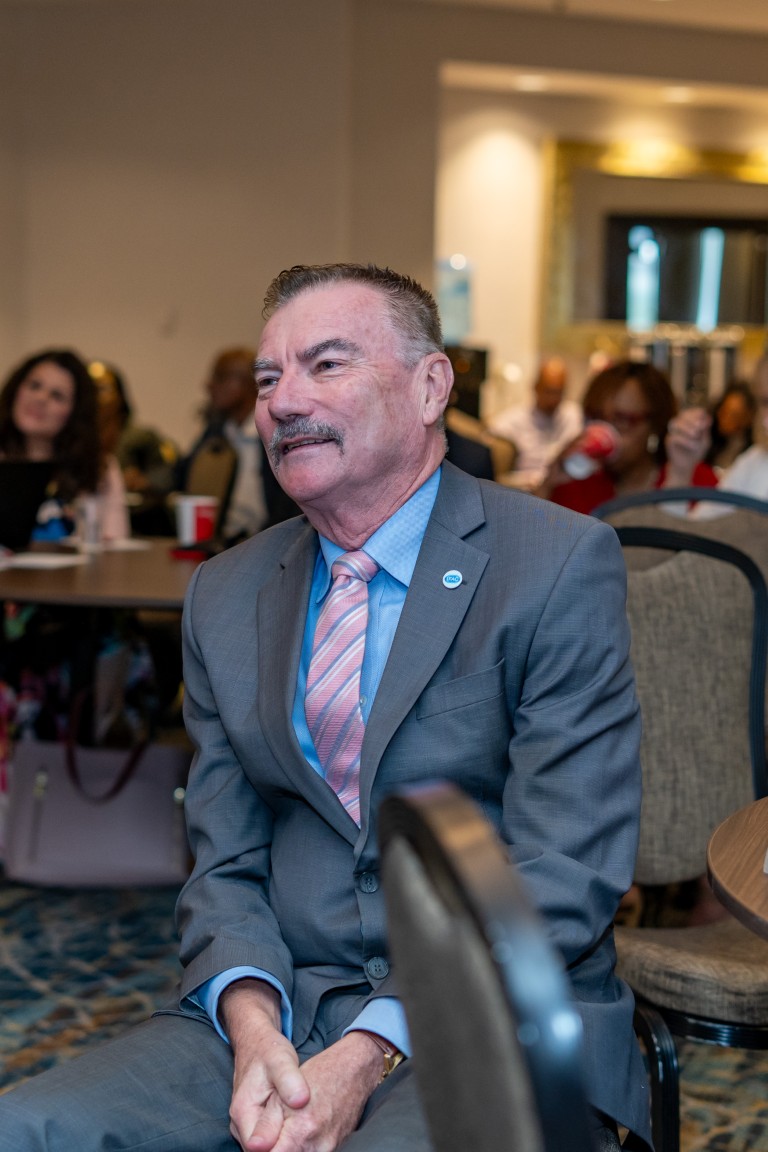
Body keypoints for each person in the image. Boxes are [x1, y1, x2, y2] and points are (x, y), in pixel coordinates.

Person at [0, 264, 651, 1151]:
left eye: (327, 365)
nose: (284, 401)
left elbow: (564, 866)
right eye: (268, 377)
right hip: (278, 1007)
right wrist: (252, 1023)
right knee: (25, 1128)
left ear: (431, 387)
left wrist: (369, 1048)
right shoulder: (226, 592)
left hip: (499, 1015)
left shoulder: (555, 562)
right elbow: (224, 861)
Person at [540, 358, 717, 514]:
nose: (606, 430)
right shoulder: (575, 484)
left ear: (655, 423)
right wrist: (547, 486)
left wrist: (679, 476)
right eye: (596, 417)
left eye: (623, 420)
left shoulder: (693, 480)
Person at [0, 349, 128, 543]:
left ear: (76, 412)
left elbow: (116, 547)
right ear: (16, 389)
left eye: (57, 396)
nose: (40, 398)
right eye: (34, 385)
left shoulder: (99, 469)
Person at [178, 347, 298, 542]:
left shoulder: (277, 432)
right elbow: (183, 476)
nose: (208, 385)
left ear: (247, 383)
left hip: (270, 541)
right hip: (220, 543)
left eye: (220, 377)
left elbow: (290, 502)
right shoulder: (216, 431)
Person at [486, 354, 583, 483]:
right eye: (549, 391)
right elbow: (488, 442)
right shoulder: (511, 420)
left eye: (559, 392)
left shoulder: (574, 415)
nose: (553, 399)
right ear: (535, 387)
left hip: (561, 487)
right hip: (523, 489)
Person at [705, 380, 756, 473]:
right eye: (723, 411)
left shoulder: (752, 456)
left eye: (733, 414)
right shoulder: (710, 446)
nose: (724, 418)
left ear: (748, 417)